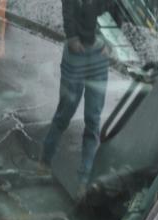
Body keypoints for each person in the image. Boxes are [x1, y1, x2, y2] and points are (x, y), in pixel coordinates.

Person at [40, 0, 114, 196]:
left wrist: (110, 44)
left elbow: (115, 12)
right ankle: (45, 159)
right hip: (76, 55)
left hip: (98, 56)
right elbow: (69, 10)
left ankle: (84, 179)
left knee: (93, 118)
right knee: (66, 110)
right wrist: (72, 38)